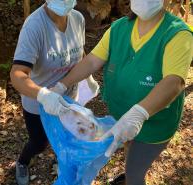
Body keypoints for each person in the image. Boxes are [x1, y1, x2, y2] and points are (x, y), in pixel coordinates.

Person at [41, 0, 193, 184]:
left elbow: (174, 81)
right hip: (121, 115)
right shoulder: (120, 28)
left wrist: (139, 113)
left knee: (136, 173)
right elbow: (92, 61)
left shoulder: (177, 34)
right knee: (129, 147)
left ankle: (131, 178)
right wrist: (61, 86)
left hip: (154, 124)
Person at [10, 0, 99, 184]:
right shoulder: (34, 26)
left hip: (69, 99)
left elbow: (79, 52)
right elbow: (18, 73)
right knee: (40, 143)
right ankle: (22, 162)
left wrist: (87, 79)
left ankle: (62, 162)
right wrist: (44, 95)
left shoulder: (77, 18)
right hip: (40, 104)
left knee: (68, 136)